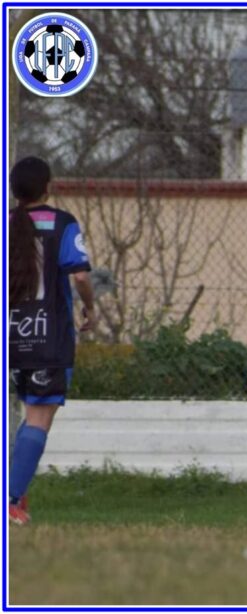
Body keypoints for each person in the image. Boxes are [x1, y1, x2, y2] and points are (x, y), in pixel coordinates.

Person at [8, 156, 96, 526]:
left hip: (9, 336)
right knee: (38, 419)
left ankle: (15, 498)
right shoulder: (62, 223)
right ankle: (9, 500)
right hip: (48, 338)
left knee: (23, 420)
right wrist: (90, 308)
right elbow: (79, 278)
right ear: (48, 186)